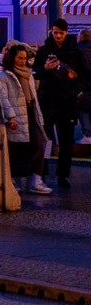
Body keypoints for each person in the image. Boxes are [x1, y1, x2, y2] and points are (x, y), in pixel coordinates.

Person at [33, 18, 86, 189]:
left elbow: (85, 75)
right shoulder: (44, 51)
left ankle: (63, 174)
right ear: (51, 31)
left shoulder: (75, 52)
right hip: (48, 99)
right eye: (55, 32)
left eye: (60, 33)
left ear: (66, 32)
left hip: (67, 100)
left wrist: (75, 89)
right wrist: (45, 69)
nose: (57, 36)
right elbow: (36, 73)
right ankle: (44, 171)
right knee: (45, 138)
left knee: (66, 140)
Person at [0, 42, 52, 195]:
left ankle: (37, 179)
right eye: (19, 58)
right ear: (12, 58)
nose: (22, 61)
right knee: (15, 148)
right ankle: (13, 179)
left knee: (39, 143)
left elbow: (34, 95)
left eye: (24, 58)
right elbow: (3, 97)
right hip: (16, 114)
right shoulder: (5, 75)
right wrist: (10, 117)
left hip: (30, 111)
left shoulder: (29, 74)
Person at [75, 29, 91, 146]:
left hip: (83, 85)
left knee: (83, 110)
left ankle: (87, 135)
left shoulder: (77, 50)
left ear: (80, 37)